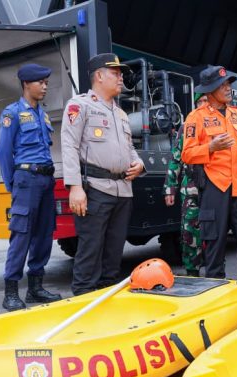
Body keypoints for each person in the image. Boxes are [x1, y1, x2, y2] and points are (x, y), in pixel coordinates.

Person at [61, 53, 145, 295]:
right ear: (99, 76)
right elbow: (69, 146)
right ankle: (83, 298)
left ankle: (106, 297)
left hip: (123, 191)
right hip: (95, 189)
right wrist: (75, 187)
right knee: (90, 249)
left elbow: (129, 149)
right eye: (115, 74)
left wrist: (138, 163)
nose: (121, 79)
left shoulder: (120, 113)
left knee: (114, 252)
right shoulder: (80, 106)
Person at [181, 65, 237, 309]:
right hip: (215, 186)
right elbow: (187, 154)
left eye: (229, 84)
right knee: (214, 240)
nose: (228, 88)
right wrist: (210, 147)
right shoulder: (195, 117)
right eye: (223, 85)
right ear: (209, 91)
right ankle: (215, 291)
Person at [0, 63, 62, 310]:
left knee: (44, 233)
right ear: (26, 84)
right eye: (40, 83)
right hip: (26, 179)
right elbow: (3, 153)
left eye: (46, 82)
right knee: (21, 234)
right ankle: (11, 291)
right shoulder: (12, 113)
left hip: (46, 179)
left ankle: (35, 288)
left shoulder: (42, 114)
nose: (45, 87)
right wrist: (12, 185)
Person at [163, 93, 209, 277]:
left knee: (215, 229)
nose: (204, 104)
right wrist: (169, 187)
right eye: (200, 101)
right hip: (190, 185)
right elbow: (175, 157)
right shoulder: (186, 127)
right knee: (189, 229)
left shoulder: (218, 124)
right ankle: (192, 272)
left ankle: (215, 272)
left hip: (214, 184)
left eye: (207, 100)